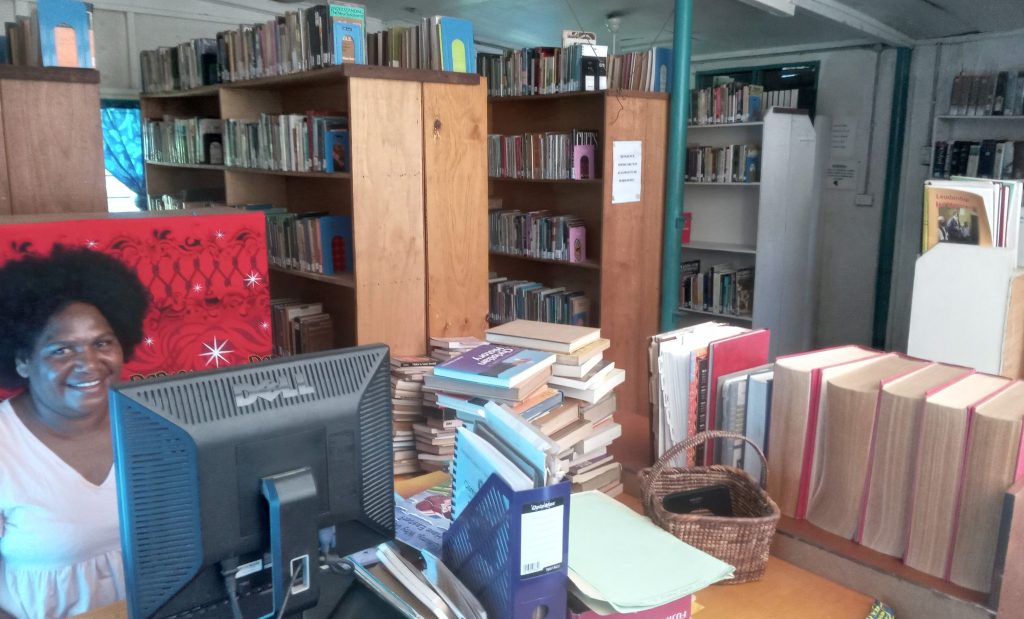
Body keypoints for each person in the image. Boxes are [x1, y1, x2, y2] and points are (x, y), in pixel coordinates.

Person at [0, 246, 150, 619]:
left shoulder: (154, 424)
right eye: (62, 350)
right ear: (23, 361)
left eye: (102, 343)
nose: (89, 363)